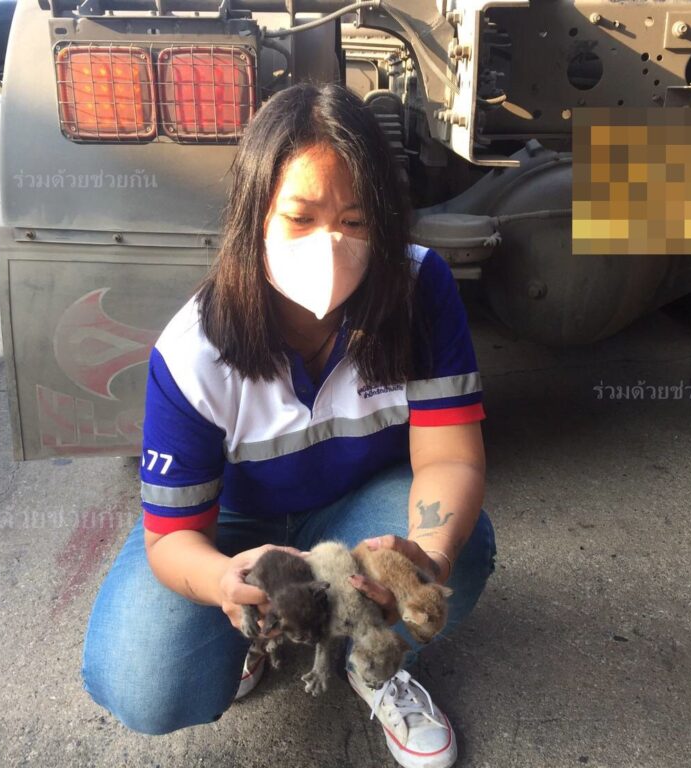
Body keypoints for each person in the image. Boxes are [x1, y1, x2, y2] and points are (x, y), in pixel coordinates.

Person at [80, 82, 496, 768]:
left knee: (461, 545)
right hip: (238, 528)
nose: (330, 245)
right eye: (300, 217)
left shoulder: (419, 290)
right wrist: (224, 581)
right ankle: (250, 636)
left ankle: (374, 659)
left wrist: (426, 559)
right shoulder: (193, 350)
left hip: (360, 511)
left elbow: (451, 458)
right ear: (256, 215)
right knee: (145, 683)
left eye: (356, 220)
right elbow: (172, 538)